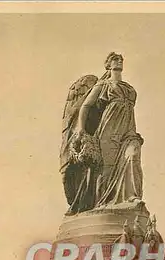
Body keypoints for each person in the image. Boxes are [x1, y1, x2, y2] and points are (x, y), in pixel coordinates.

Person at [60, 52, 144, 214]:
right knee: (106, 169)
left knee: (132, 156)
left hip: (128, 132)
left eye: (120, 59)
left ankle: (132, 196)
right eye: (115, 59)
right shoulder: (103, 85)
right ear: (108, 65)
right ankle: (101, 203)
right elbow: (85, 106)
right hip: (108, 131)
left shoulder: (129, 89)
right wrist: (80, 128)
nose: (118, 61)